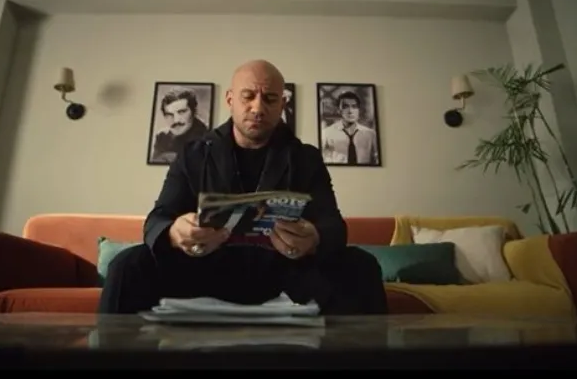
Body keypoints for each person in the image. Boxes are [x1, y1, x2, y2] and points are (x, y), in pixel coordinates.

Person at [98, 59, 388, 315]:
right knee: (127, 265)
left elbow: (334, 225)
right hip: (204, 269)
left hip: (285, 271)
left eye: (270, 98)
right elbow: (157, 219)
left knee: (361, 266)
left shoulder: (306, 157)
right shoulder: (192, 154)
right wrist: (175, 232)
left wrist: (314, 237)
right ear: (230, 99)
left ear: (282, 104)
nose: (258, 108)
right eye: (248, 96)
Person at [151, 87, 210, 164]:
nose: (176, 120)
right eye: (169, 114)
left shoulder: (208, 136)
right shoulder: (162, 137)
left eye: (181, 112)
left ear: (194, 112)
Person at [321, 91, 379, 165]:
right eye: (345, 107)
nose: (350, 111)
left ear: (359, 110)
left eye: (354, 107)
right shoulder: (327, 133)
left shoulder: (371, 134)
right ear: (338, 110)